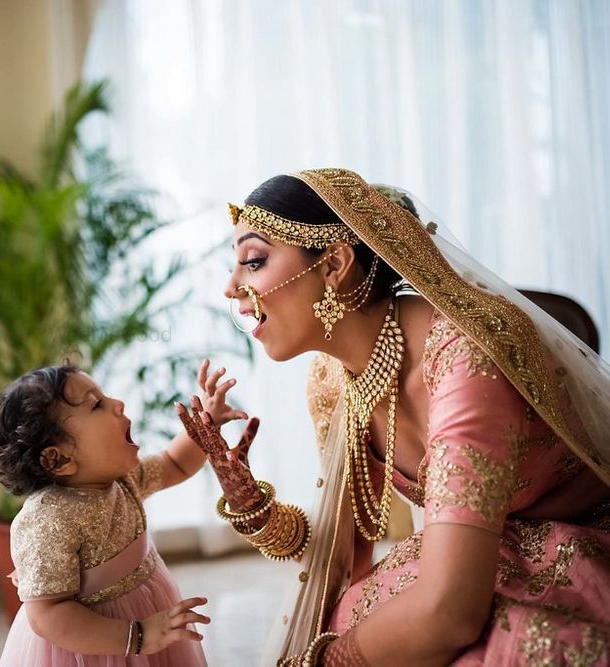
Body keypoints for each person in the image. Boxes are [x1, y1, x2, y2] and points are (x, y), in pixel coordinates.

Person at [177, 168, 610, 665]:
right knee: (359, 612)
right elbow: (341, 558)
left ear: (335, 263)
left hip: (578, 551)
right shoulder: (333, 380)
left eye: (253, 261)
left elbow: (451, 612)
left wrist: (325, 662)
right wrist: (249, 502)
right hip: (489, 556)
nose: (230, 287)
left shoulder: (462, 360)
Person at [0, 363, 248, 665]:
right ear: (58, 459)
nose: (117, 403)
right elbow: (48, 614)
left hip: (148, 612)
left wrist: (205, 427)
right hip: (94, 644)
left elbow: (175, 463)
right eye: (97, 405)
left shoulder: (122, 479)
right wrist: (138, 636)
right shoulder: (47, 520)